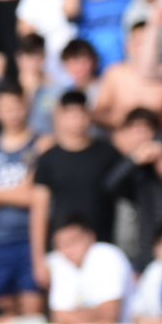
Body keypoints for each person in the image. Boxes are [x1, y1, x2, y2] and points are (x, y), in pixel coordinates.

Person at [31, 91, 124, 288]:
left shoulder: (108, 153)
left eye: (81, 114)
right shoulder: (49, 158)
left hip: (102, 246)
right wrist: (38, 260)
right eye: (70, 115)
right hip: (63, 251)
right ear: (60, 117)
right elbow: (39, 210)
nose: (77, 121)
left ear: (88, 115)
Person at [0, 85, 50, 316]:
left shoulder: (42, 143)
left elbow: (33, 196)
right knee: (2, 312)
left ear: (26, 107)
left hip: (29, 239)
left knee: (32, 311)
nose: (11, 114)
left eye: (16, 107)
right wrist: (17, 194)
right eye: (5, 109)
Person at [103, 107, 162, 268]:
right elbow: (110, 185)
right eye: (159, 159)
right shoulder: (144, 180)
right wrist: (134, 159)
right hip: (149, 258)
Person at [46, 218, 134, 324]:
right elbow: (59, 317)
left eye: (73, 241)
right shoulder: (61, 263)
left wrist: (73, 316)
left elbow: (109, 315)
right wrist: (94, 315)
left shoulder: (106, 255)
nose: (68, 249)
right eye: (62, 245)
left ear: (90, 237)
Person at [93, 21, 162, 131]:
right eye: (138, 43)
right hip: (120, 138)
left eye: (148, 44)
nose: (144, 49)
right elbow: (97, 114)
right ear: (129, 45)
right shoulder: (115, 74)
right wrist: (123, 122)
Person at [16, 33, 64, 135]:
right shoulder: (9, 89)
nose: (31, 61)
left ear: (44, 56)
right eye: (26, 56)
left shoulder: (58, 89)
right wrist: (27, 92)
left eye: (35, 55)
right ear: (18, 58)